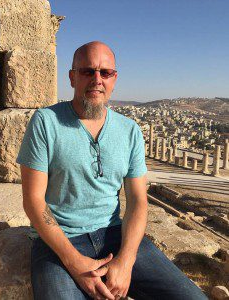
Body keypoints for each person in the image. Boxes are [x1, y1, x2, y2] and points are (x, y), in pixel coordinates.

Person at [16, 41, 208, 300]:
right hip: (59, 240)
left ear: (114, 79)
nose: (97, 79)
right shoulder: (46, 122)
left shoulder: (129, 131)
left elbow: (139, 200)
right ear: (72, 77)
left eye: (105, 72)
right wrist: (74, 261)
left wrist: (126, 261)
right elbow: (33, 200)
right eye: (87, 71)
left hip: (114, 234)